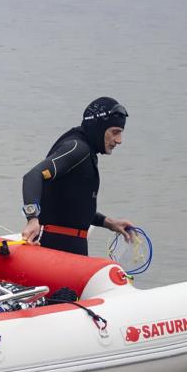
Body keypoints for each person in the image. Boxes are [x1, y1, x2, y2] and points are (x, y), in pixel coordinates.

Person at [20, 97, 136, 255]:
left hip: (70, 248)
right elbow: (32, 177)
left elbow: (72, 207)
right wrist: (32, 218)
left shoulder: (86, 152)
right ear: (99, 127)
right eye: (115, 132)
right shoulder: (77, 148)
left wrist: (108, 223)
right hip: (56, 249)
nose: (119, 140)